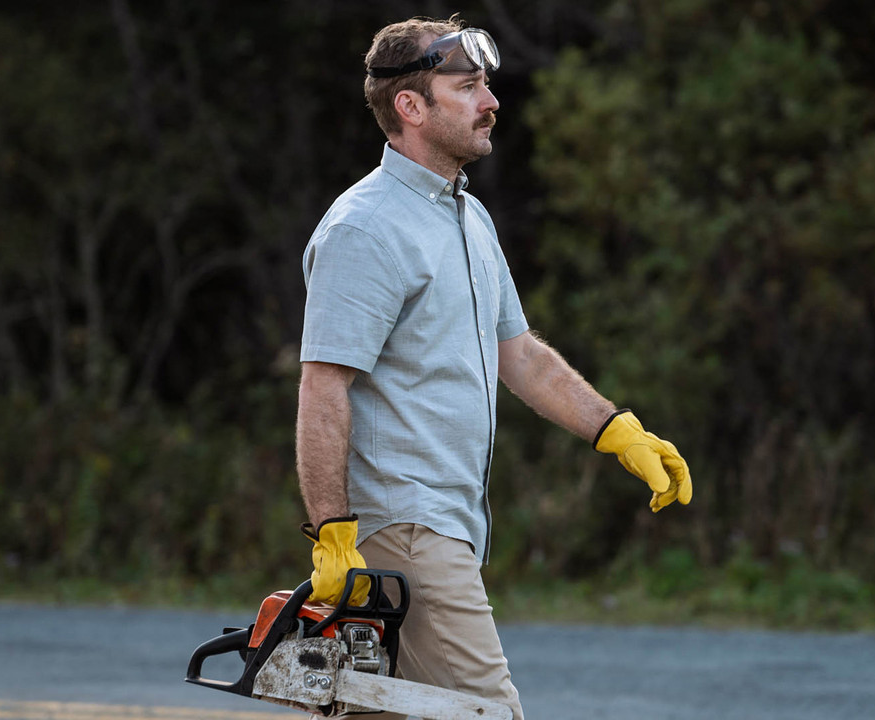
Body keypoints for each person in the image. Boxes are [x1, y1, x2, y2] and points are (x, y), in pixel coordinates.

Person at [295, 16, 691, 720]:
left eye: (487, 84)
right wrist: (332, 532)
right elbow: (324, 385)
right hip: (403, 530)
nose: (491, 101)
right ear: (411, 107)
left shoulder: (466, 217)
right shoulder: (365, 228)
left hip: (449, 525)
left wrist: (618, 430)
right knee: (486, 713)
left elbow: (522, 355)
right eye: (468, 85)